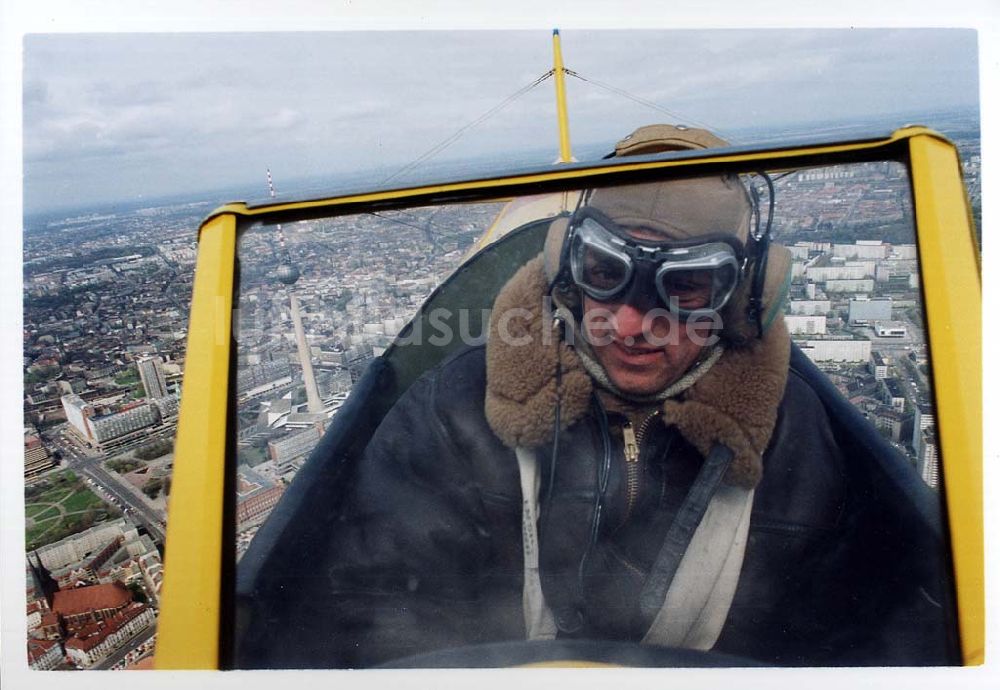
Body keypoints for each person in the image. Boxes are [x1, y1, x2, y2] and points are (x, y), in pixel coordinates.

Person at [239, 125, 958, 668]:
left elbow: (840, 637)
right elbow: (377, 606)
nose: (635, 325)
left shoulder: (798, 441)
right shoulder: (453, 413)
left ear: (747, 298)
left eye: (687, 286)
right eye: (607, 271)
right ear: (564, 267)